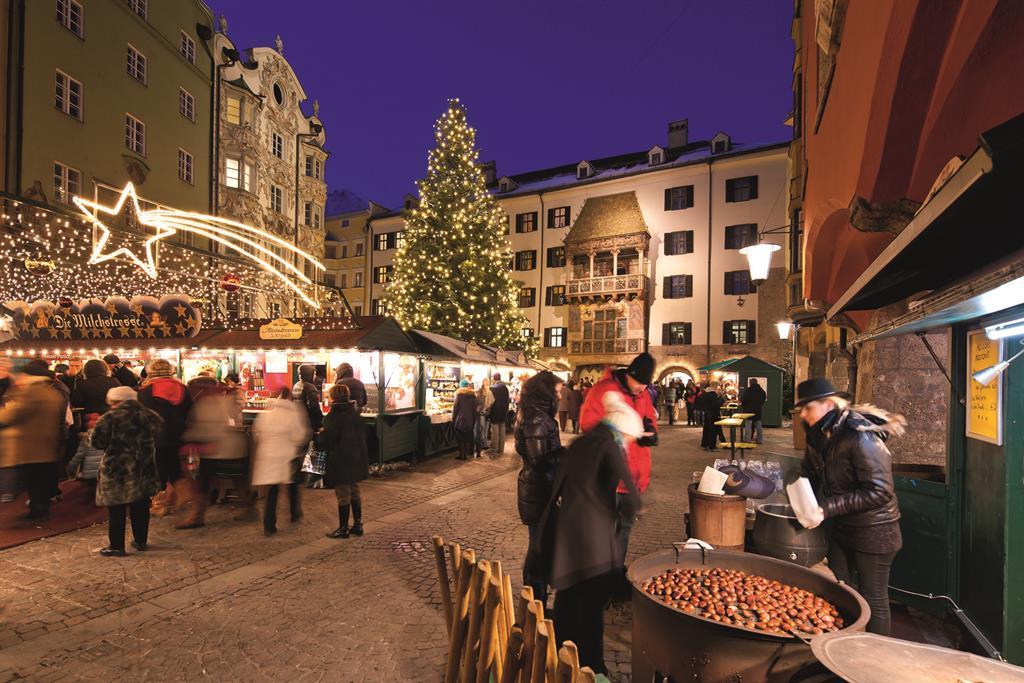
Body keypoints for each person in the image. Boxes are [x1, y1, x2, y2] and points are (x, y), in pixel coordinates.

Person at [529, 390, 643, 675]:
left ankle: (559, 658)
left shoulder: (582, 442)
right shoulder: (610, 446)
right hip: (593, 543)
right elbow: (631, 494)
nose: (630, 442)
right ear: (622, 430)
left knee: (567, 599)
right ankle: (593, 668)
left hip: (567, 535)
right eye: (630, 437)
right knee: (591, 609)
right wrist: (627, 510)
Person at [796, 378, 904, 636]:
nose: (802, 414)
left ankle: (874, 657)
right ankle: (845, 643)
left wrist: (826, 508)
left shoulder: (860, 437)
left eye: (808, 407)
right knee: (841, 589)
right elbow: (810, 472)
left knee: (873, 598)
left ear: (829, 404)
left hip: (875, 531)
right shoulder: (820, 435)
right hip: (843, 527)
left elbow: (879, 491)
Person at [578, 352, 658, 584]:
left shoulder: (642, 393)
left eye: (645, 385)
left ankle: (613, 574)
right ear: (630, 375)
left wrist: (650, 433)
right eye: (639, 383)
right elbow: (587, 425)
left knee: (624, 530)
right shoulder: (604, 390)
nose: (641, 388)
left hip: (635, 477)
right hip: (610, 477)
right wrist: (619, 433)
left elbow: (649, 418)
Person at [91, 386, 161, 556]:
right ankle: (140, 540)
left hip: (117, 468)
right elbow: (159, 431)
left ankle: (116, 545)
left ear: (114, 401)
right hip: (144, 465)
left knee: (116, 508)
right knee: (141, 504)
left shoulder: (109, 418)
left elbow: (97, 442)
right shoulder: (149, 415)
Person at [514, 371, 564, 607]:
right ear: (546, 392)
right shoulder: (536, 419)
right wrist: (568, 456)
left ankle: (537, 599)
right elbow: (539, 459)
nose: (561, 394)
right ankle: (535, 604)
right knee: (538, 549)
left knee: (541, 547)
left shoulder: (539, 415)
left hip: (541, 490)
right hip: (538, 491)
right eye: (557, 390)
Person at [0, 360, 66, 520]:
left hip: (31, 445)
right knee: (40, 479)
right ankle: (40, 508)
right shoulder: (51, 391)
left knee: (35, 481)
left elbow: (14, 414)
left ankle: (38, 511)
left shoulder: (32, 392)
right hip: (45, 442)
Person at [137, 359, 192, 517]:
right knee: (176, 469)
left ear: (151, 371)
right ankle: (181, 500)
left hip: (154, 437)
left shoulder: (145, 391)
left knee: (157, 471)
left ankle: (160, 505)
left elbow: (141, 415)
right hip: (180, 436)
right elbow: (190, 411)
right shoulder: (184, 389)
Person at [252, 388, 310, 535]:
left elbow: (257, 433)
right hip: (287, 456)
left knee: (271, 492)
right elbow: (299, 436)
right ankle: (295, 513)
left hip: (268, 456)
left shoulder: (267, 414)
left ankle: (269, 525)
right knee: (292, 485)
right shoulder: (294, 413)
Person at [317, 384, 369, 539]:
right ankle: (358, 524)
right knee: (354, 490)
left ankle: (343, 528)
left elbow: (327, 439)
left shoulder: (334, 416)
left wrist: (319, 437)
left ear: (333, 397)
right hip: (356, 459)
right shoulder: (355, 413)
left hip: (341, 459)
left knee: (343, 493)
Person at [452, 379, 478, 460]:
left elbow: (455, 407)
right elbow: (474, 409)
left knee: (460, 437)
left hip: (460, 418)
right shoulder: (473, 395)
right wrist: (474, 419)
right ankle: (465, 454)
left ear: (461, 385)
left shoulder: (459, 395)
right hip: (470, 418)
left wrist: (453, 418)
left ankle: (461, 454)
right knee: (467, 436)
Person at [698, 382, 726, 451]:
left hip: (707, 414)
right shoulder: (713, 394)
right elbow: (715, 404)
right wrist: (721, 400)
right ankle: (712, 446)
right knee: (713, 431)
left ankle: (706, 445)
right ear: (715, 386)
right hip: (713, 414)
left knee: (707, 430)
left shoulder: (705, 393)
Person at [488, 373, 511, 454]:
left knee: (494, 432)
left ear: (494, 379)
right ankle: (501, 449)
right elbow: (508, 400)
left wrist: (487, 410)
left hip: (495, 412)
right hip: (503, 412)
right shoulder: (505, 388)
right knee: (502, 431)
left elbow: (490, 402)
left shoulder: (492, 389)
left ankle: (493, 449)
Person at [740, 378, 767, 443]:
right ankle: (760, 439)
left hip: (748, 410)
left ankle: (748, 439)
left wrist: (744, 405)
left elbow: (743, 400)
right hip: (758, 410)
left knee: (748, 425)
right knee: (758, 424)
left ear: (750, 383)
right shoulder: (761, 390)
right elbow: (763, 398)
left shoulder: (748, 390)